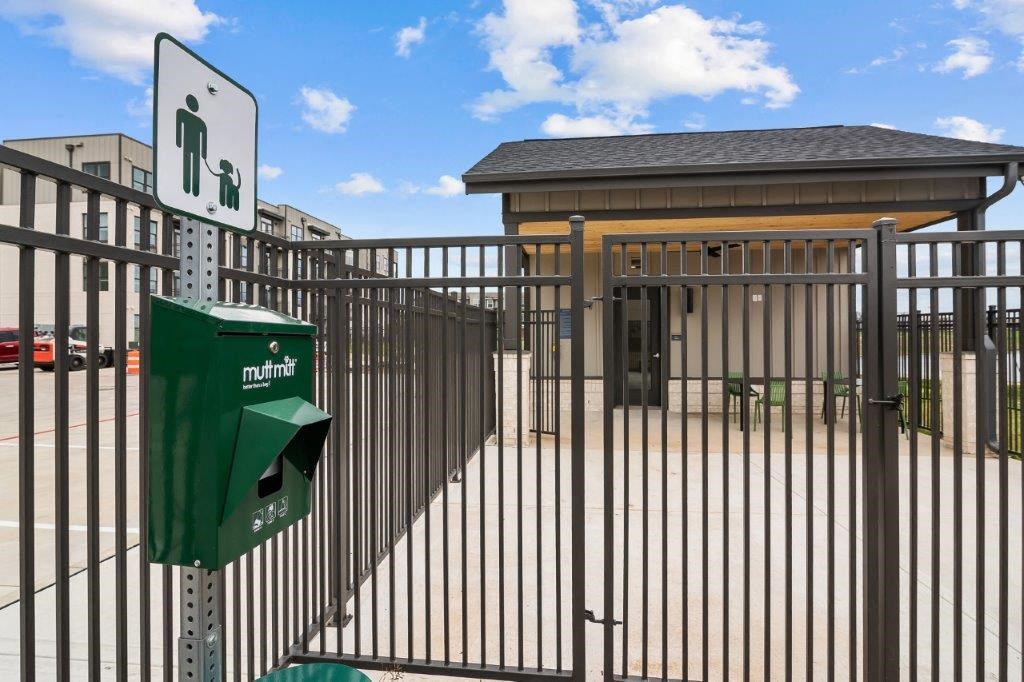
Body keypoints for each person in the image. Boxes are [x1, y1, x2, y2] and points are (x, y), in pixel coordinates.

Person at [175, 94, 207, 196]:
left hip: (196, 147)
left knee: (196, 168)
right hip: (187, 145)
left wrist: (204, 153)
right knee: (187, 165)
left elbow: (204, 138)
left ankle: (195, 189)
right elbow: (178, 127)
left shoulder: (201, 122)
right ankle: (187, 187)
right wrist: (178, 142)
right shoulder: (182, 113)